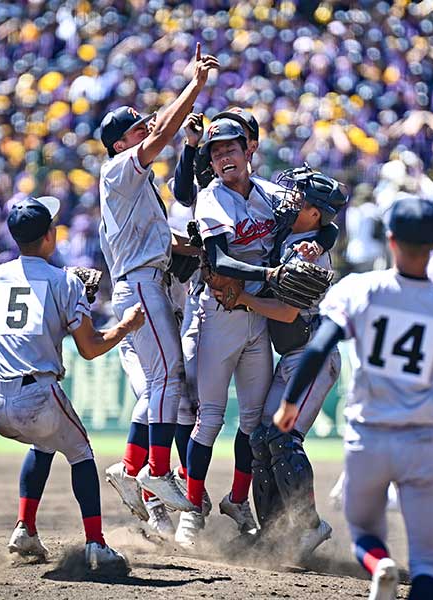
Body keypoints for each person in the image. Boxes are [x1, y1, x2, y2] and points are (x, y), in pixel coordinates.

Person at [277, 197, 433, 600]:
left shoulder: (361, 288)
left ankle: (378, 564)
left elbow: (319, 347)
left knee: (365, 533)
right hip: (422, 440)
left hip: (368, 435)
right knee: (426, 564)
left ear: (390, 240)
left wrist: (289, 401)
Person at [0, 196, 145, 573]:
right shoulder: (65, 281)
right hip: (36, 394)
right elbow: (89, 349)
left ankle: (25, 528)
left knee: (44, 444)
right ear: (49, 237)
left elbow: (17, 321)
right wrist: (126, 325)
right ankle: (96, 544)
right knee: (81, 453)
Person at [99, 43, 219, 523]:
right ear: (119, 144)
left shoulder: (134, 183)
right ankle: (155, 472)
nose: (144, 128)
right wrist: (194, 86)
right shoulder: (118, 170)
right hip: (143, 284)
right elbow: (163, 134)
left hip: (145, 279)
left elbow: (162, 241)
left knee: (159, 383)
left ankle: (135, 470)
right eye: (135, 128)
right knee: (167, 377)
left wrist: (199, 249)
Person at [228, 166, 347, 564]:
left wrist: (242, 299)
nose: (289, 198)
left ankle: (310, 526)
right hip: (294, 356)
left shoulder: (311, 250)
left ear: (315, 214)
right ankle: (274, 534)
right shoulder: (292, 232)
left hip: (314, 354)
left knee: (283, 438)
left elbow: (287, 312)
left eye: (299, 197)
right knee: (261, 439)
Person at [175, 118, 282, 546]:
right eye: (216, 152)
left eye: (230, 149)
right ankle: (190, 510)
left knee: (254, 423)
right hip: (219, 314)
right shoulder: (211, 198)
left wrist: (316, 240)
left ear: (249, 149)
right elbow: (219, 261)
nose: (223, 157)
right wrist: (270, 272)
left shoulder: (272, 195)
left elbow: (320, 216)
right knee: (211, 419)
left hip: (258, 317)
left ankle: (238, 500)